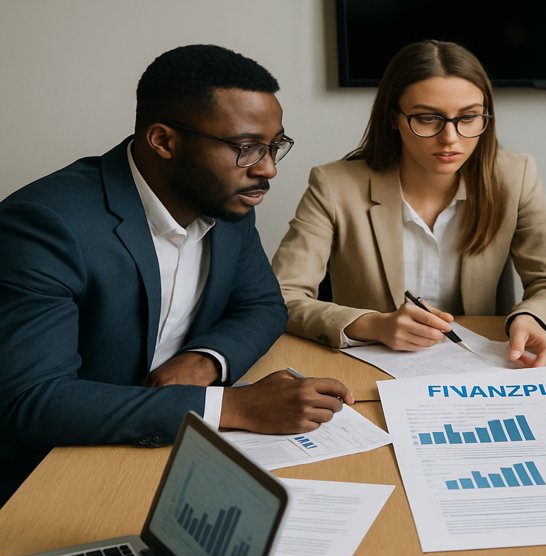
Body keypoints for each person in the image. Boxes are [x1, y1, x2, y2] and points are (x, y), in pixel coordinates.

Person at [0, 45, 354, 506]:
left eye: (274, 146)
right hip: (55, 471)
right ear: (164, 141)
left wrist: (206, 360)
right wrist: (232, 406)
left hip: (170, 450)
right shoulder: (45, 225)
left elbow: (262, 305)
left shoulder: (227, 201)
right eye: (246, 148)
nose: (267, 169)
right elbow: (33, 401)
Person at [273, 40, 546, 366]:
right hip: (371, 364)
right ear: (394, 117)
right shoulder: (334, 185)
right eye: (427, 119)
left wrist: (533, 317)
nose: (450, 137)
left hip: (481, 366)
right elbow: (282, 296)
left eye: (469, 117)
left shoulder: (515, 175)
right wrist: (374, 325)